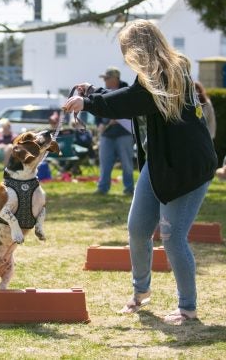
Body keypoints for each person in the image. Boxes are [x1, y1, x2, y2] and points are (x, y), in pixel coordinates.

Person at [61, 19, 217, 324]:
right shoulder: (148, 77)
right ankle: (141, 291)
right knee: (137, 228)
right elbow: (128, 97)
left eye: (125, 50)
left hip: (188, 169)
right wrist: (93, 93)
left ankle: (188, 308)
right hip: (160, 163)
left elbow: (131, 101)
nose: (124, 57)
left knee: (173, 238)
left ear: (138, 48)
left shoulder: (170, 72)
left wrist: (88, 102)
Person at [95, 66, 135, 196]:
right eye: (104, 78)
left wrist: (119, 118)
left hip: (124, 134)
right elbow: (97, 110)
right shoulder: (102, 92)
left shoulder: (127, 92)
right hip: (107, 135)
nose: (105, 81)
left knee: (127, 164)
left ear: (115, 79)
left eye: (107, 78)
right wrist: (99, 124)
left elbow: (134, 111)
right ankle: (102, 188)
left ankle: (129, 189)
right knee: (105, 163)